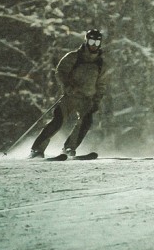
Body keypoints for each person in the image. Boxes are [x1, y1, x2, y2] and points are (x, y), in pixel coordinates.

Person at [29, 28, 109, 159]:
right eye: (91, 41)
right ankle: (37, 149)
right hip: (70, 96)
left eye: (97, 43)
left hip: (87, 99)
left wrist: (96, 101)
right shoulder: (74, 57)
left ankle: (69, 148)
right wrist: (67, 86)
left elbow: (101, 84)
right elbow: (60, 72)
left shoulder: (100, 63)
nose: (93, 45)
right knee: (58, 121)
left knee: (86, 122)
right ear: (86, 41)